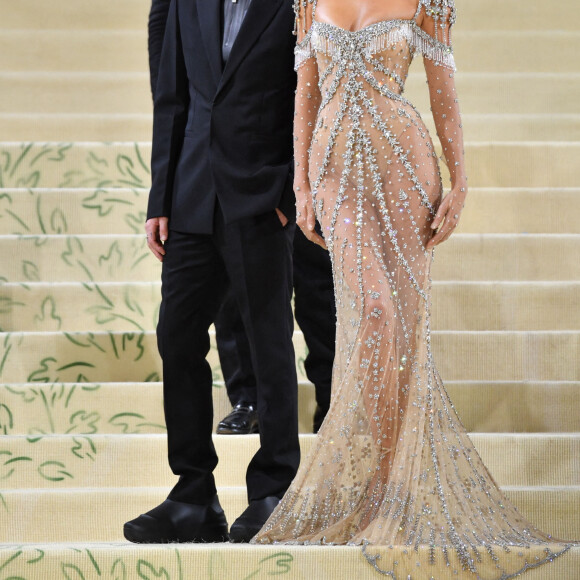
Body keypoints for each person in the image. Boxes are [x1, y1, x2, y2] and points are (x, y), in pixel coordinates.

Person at [253, 0, 574, 577]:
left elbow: (442, 94)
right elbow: (305, 95)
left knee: (401, 332)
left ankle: (395, 493)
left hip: (405, 167)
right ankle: (373, 491)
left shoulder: (428, 3)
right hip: (335, 172)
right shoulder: (308, 4)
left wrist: (459, 179)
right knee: (374, 316)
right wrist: (301, 186)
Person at [124, 0, 300, 544]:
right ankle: (193, 494)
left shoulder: (301, 3)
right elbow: (171, 96)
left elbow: (313, 96)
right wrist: (161, 197)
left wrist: (291, 191)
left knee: (268, 340)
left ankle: (274, 488)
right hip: (193, 190)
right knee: (176, 336)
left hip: (262, 192)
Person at [148, 0, 336, 437]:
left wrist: (295, 180)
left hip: (294, 150)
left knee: (316, 274)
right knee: (229, 283)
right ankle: (246, 395)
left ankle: (333, 395)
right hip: (215, 144)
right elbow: (168, 42)